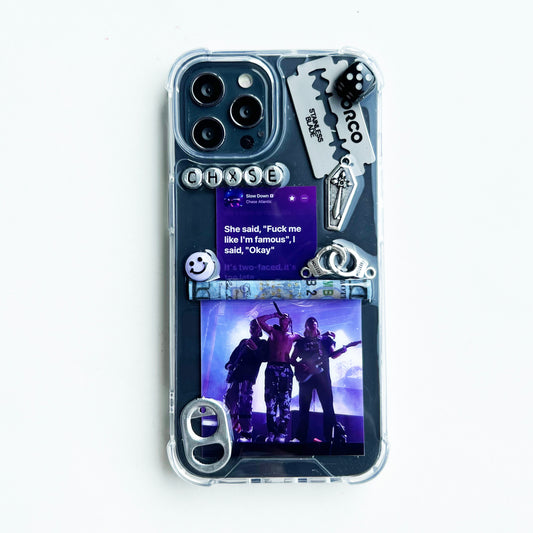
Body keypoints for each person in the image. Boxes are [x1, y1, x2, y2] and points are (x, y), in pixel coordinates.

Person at [290, 317, 350, 443]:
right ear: (306, 327)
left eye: (314, 322)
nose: (312, 323)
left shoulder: (326, 340)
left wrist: (342, 351)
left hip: (323, 378)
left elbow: (333, 355)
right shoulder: (301, 342)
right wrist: (301, 366)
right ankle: (300, 437)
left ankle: (330, 438)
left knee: (328, 407)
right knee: (303, 408)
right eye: (310, 322)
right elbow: (292, 359)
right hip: (306, 378)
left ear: (317, 325)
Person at [257, 310, 301, 443]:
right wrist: (274, 315)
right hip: (272, 368)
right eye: (281, 318)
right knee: (270, 401)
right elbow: (259, 321)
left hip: (285, 369)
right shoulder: (272, 331)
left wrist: (324, 335)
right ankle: (271, 432)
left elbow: (309, 340)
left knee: (285, 402)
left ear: (289, 321)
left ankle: (281, 433)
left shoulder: (294, 335)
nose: (283, 319)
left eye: (285, 318)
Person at [224, 319, 268, 442]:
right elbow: (233, 358)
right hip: (235, 377)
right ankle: (230, 430)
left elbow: (263, 358)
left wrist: (255, 348)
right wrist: (230, 365)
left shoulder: (262, 343)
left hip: (248, 377)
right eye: (251, 326)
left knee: (245, 404)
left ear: (260, 330)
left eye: (256, 326)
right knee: (229, 402)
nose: (253, 328)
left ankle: (246, 434)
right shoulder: (243, 342)